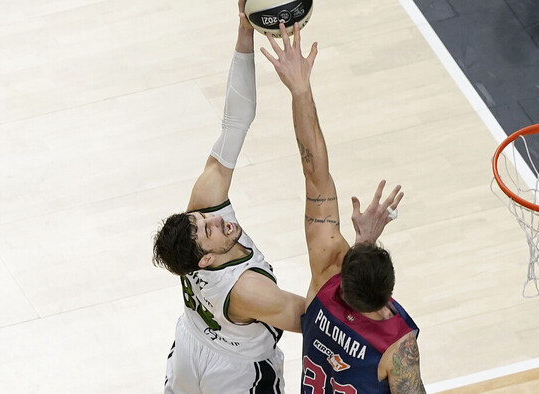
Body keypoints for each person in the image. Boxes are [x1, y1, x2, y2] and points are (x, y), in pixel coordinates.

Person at [260, 23, 427, 393]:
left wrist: (300, 89)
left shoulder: (325, 275)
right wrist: (364, 243)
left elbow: (314, 173)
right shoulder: (399, 347)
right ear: (390, 290)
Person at [151, 4, 305, 393]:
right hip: (236, 375)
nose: (215, 218)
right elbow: (314, 318)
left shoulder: (201, 214)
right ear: (206, 259)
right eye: (209, 229)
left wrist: (245, 31)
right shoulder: (248, 290)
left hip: (190, 347)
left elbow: (235, 121)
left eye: (204, 219)